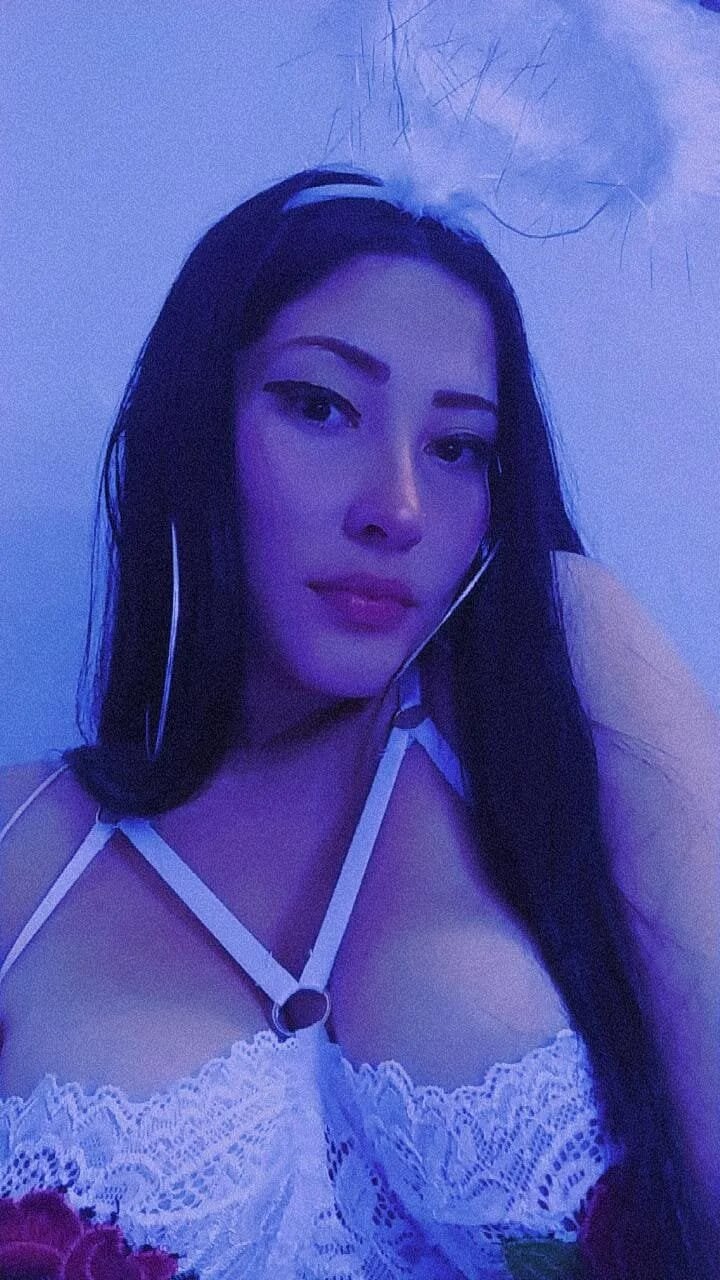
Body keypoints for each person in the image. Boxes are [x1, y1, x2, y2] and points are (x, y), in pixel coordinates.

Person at [0, 167, 717, 1279]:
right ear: (194, 426)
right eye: (321, 406)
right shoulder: (23, 845)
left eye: (458, 446)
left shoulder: (556, 672)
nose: (399, 507)